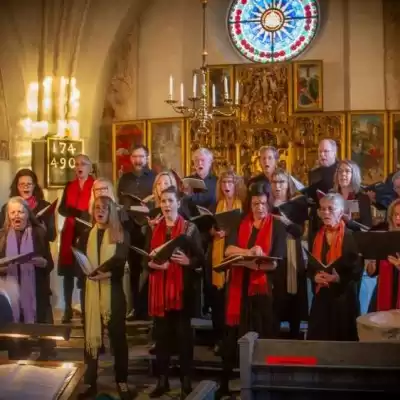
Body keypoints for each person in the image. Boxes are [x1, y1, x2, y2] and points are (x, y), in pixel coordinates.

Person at [217, 182, 286, 397]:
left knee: (264, 335)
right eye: (255, 204)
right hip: (238, 287)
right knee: (232, 336)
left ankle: (266, 384)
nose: (259, 208)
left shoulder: (277, 226)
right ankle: (225, 383)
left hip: (263, 289)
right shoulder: (241, 222)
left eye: (263, 203)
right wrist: (250, 253)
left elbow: (275, 262)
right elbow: (228, 250)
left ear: (269, 203)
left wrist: (252, 262)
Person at [147, 186, 203, 399]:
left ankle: (185, 382)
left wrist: (188, 262)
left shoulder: (189, 228)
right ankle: (162, 381)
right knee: (161, 339)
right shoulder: (154, 228)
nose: (167, 205)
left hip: (181, 293)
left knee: (183, 339)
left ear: (178, 203)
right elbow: (145, 259)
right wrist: (152, 264)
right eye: (163, 201)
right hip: (159, 292)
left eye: (170, 201)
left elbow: (201, 259)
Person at [77, 196, 134, 400]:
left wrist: (106, 274)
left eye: (104, 208)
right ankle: (90, 382)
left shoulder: (121, 234)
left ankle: (122, 381)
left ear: (111, 212)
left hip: (113, 292)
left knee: (118, 339)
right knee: (91, 338)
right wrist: (85, 270)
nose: (100, 212)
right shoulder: (86, 235)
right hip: (91, 291)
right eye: (97, 208)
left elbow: (122, 262)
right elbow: (79, 261)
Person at [0, 197, 54, 359]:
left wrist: (42, 262)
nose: (17, 215)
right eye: (13, 212)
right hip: (11, 293)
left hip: (36, 291)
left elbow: (49, 264)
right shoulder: (2, 236)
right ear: (8, 216)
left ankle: (45, 360)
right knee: (17, 345)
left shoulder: (39, 233)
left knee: (43, 337)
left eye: (21, 212)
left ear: (28, 214)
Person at [307, 193, 361, 341]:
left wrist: (338, 278)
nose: (325, 212)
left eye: (330, 209)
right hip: (321, 297)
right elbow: (310, 266)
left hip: (343, 299)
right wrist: (314, 276)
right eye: (322, 209)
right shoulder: (315, 236)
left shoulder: (352, 236)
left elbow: (357, 272)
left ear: (341, 212)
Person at [208, 170, 246, 353]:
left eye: (230, 182)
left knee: (233, 299)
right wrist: (214, 232)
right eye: (223, 182)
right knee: (218, 303)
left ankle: (235, 340)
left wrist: (230, 232)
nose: (226, 186)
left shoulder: (243, 205)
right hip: (217, 254)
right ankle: (219, 340)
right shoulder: (215, 205)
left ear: (236, 185)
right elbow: (208, 228)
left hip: (235, 254)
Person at [117, 145, 155, 321]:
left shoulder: (154, 177)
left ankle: (147, 308)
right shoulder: (124, 178)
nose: (138, 160)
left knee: (149, 268)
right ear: (131, 158)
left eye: (141, 157)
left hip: (149, 227)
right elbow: (120, 201)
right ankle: (134, 308)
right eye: (135, 157)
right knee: (133, 269)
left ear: (147, 158)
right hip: (130, 227)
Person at [270, 169, 308, 339]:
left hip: (291, 253)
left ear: (288, 185)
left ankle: (294, 336)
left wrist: (285, 221)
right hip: (274, 253)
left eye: (281, 182)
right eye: (274, 182)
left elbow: (300, 232)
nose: (277, 186)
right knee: (275, 299)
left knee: (294, 296)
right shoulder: (267, 204)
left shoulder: (296, 204)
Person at [58, 154, 95, 323]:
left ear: (90, 168)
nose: (79, 167)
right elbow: (62, 209)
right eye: (77, 164)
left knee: (83, 272)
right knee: (68, 273)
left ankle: (85, 309)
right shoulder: (69, 186)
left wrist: (82, 214)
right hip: (70, 231)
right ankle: (67, 309)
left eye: (83, 164)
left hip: (86, 231)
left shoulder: (95, 185)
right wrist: (74, 212)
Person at [0, 169, 57, 242]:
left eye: (29, 184)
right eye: (22, 184)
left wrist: (43, 229)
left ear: (34, 186)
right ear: (17, 187)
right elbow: (2, 234)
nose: (25, 187)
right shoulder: (6, 207)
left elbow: (52, 237)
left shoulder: (45, 206)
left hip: (39, 248)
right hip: (15, 248)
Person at [366, 198, 400, 311]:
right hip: (383, 291)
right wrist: (371, 261)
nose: (398, 218)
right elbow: (372, 272)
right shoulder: (385, 239)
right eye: (395, 215)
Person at [308, 139, 339, 246]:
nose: (322, 154)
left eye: (326, 151)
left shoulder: (341, 170)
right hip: (317, 220)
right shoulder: (313, 173)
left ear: (334, 152)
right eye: (320, 151)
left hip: (336, 220)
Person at [333, 160, 372, 229]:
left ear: (354, 175)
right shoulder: (332, 196)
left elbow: (366, 227)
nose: (343, 174)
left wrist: (350, 221)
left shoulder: (362, 198)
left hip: (353, 235)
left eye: (347, 171)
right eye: (340, 171)